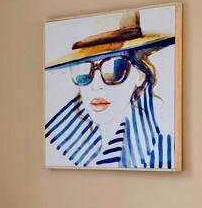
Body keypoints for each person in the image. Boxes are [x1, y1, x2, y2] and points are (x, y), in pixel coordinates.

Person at [44, 10, 176, 169]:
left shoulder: (163, 149)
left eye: (115, 69)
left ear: (140, 75)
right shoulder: (57, 146)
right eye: (84, 72)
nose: (96, 85)